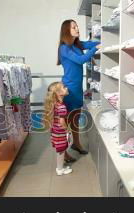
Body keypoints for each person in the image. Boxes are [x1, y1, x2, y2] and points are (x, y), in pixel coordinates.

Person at [57, 19, 101, 155]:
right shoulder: (64, 48)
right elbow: (81, 60)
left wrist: (100, 42)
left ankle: (76, 144)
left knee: (76, 118)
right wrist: (95, 48)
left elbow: (89, 43)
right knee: (65, 122)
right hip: (68, 89)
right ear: (66, 31)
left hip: (77, 88)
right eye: (73, 27)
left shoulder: (77, 45)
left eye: (77, 26)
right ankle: (63, 153)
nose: (77, 29)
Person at [43, 82, 73, 176]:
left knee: (60, 150)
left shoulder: (55, 104)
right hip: (60, 132)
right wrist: (68, 130)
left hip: (55, 131)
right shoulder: (62, 107)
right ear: (58, 93)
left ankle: (61, 167)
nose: (66, 88)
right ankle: (60, 169)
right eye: (64, 87)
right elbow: (62, 122)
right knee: (61, 151)